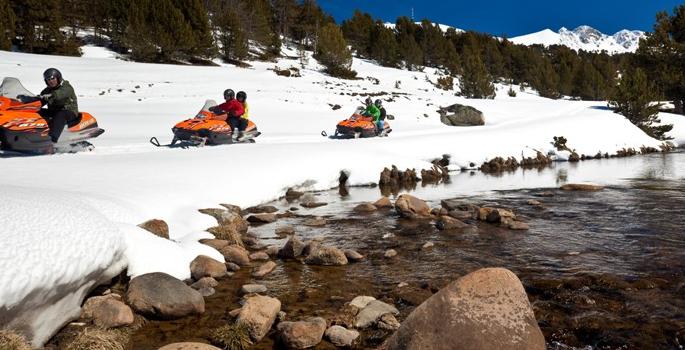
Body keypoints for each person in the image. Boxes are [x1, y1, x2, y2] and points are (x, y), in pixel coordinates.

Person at [38, 68, 79, 142]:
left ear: (58, 78)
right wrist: (27, 100)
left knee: (61, 114)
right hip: (55, 111)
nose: (51, 81)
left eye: (52, 78)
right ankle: (31, 133)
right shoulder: (47, 90)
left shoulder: (66, 86)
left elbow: (61, 94)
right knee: (37, 111)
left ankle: (52, 139)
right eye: (48, 79)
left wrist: (52, 95)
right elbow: (40, 100)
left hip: (69, 111)